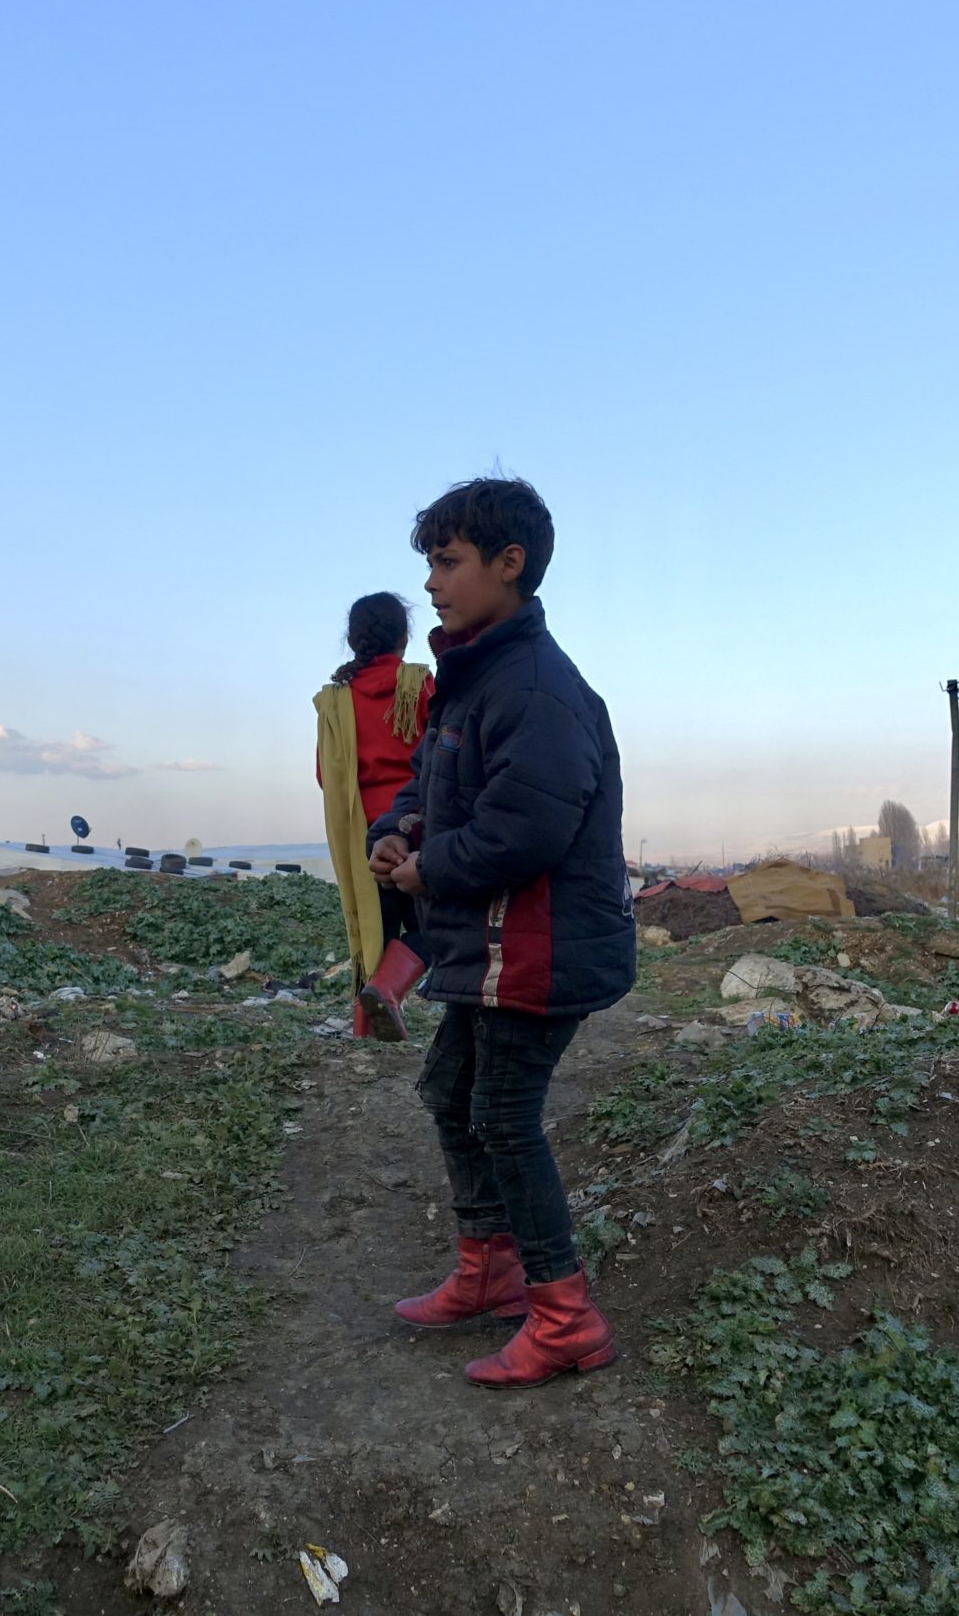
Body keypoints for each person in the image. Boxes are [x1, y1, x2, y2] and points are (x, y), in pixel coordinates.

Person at [366, 474, 635, 1389]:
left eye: (447, 562)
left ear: (508, 564)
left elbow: (528, 827)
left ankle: (565, 1315)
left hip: (539, 947)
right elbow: (431, 786)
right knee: (451, 1090)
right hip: (487, 945)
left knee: (503, 1116)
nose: (431, 585)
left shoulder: (537, 687)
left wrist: (428, 868)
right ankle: (491, 1271)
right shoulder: (472, 675)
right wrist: (395, 829)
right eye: (430, 563)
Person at [314, 593, 434, 1038]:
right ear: (404, 636)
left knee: (373, 934)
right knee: (436, 928)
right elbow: (443, 753)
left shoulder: (334, 702)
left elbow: (327, 776)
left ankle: (365, 1027)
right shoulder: (417, 684)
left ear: (353, 640)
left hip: (361, 832)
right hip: (417, 828)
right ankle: (387, 990)